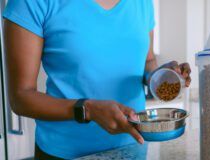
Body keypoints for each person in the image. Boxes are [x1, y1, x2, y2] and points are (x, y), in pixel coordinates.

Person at [3, 0, 191, 159]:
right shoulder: (31, 3)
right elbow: (21, 97)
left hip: (133, 148)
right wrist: (89, 109)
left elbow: (147, 61)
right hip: (67, 154)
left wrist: (160, 76)